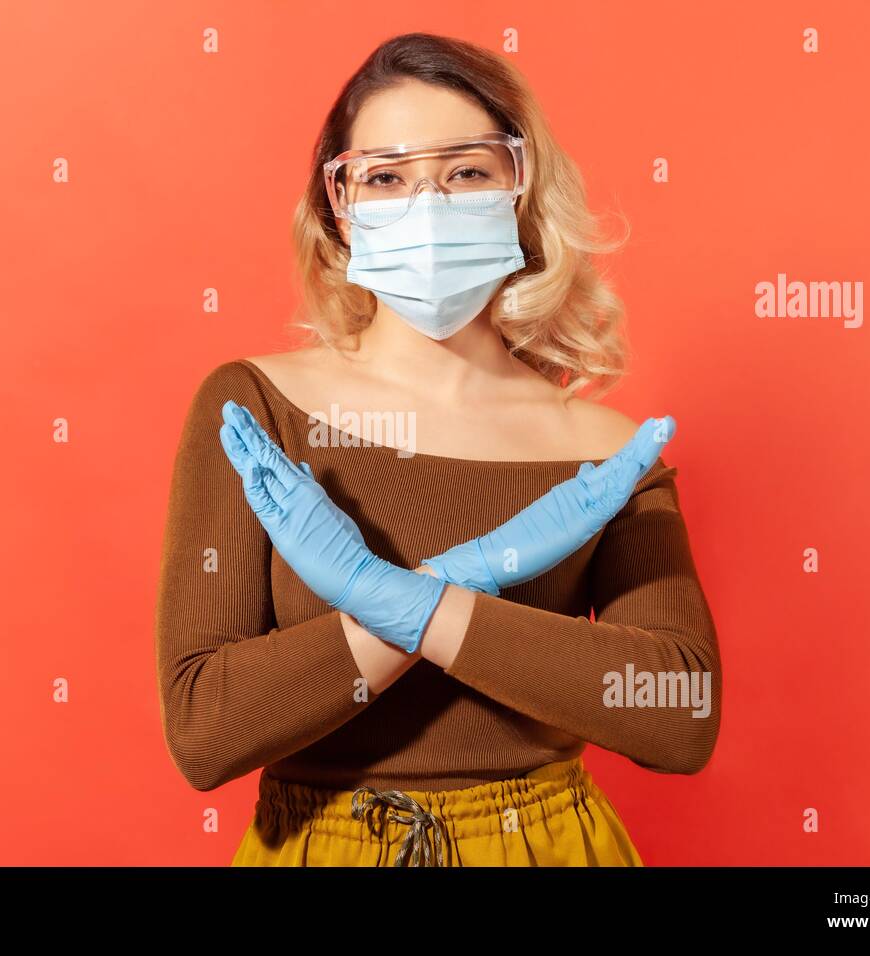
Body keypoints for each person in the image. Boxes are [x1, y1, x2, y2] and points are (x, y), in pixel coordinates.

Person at [155, 32, 721, 867]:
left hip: (549, 849)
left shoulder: (605, 452)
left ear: (520, 189)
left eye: (465, 172)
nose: (427, 204)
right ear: (339, 206)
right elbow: (206, 731)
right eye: (386, 177)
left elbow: (679, 716)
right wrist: (460, 583)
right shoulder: (255, 410)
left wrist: (402, 600)